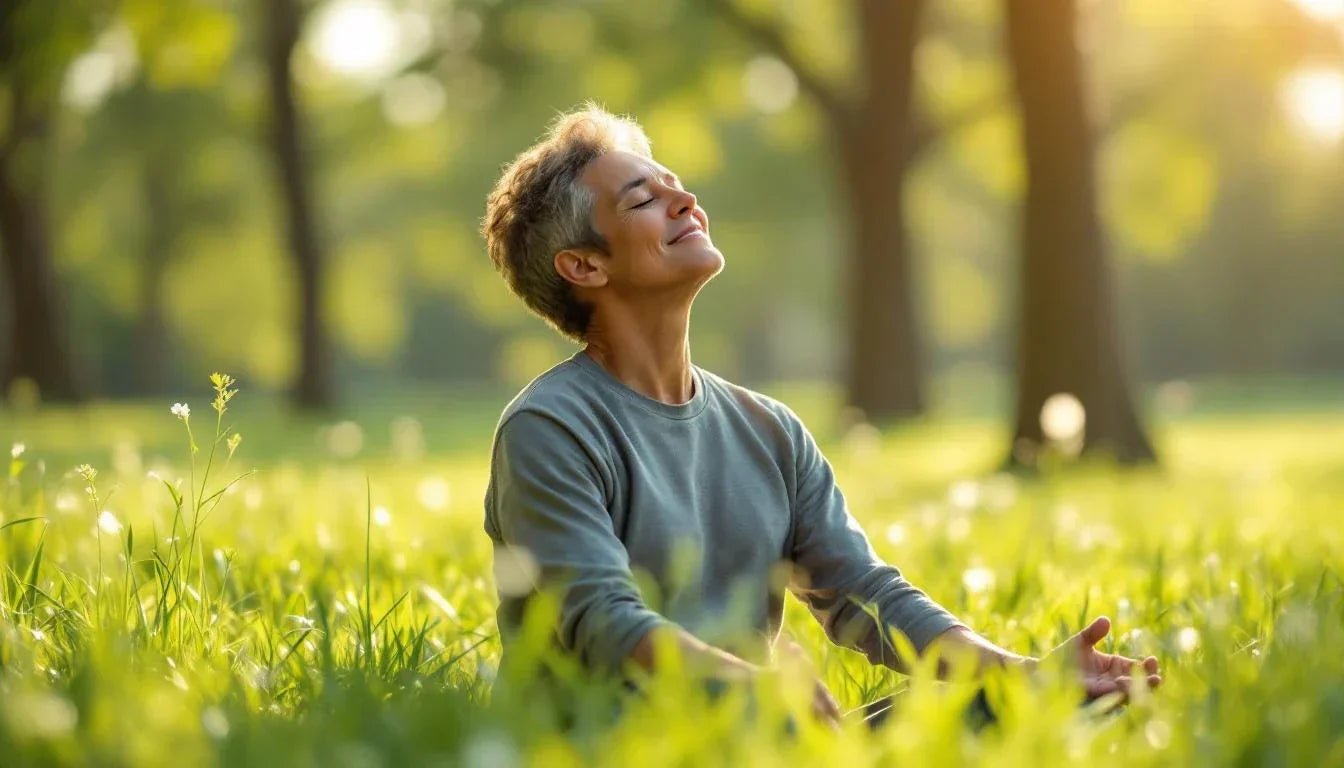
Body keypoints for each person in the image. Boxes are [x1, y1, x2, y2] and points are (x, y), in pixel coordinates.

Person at [480, 104, 1161, 728]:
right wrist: (752, 688)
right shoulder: (550, 428)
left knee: (1030, 703)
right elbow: (600, 624)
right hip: (613, 748)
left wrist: (1017, 675)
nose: (685, 200)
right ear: (584, 265)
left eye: (674, 183)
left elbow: (863, 593)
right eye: (643, 199)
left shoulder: (769, 431)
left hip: (767, 743)